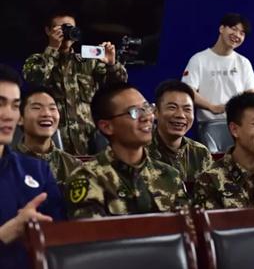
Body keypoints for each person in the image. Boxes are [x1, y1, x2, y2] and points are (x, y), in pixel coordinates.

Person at [0, 64, 65, 269]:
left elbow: (61, 238)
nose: (8, 114)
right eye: (0, 103)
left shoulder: (37, 171)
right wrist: (6, 233)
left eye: (15, 105)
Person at [65, 83, 188, 219]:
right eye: (134, 112)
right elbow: (92, 231)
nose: (147, 117)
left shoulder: (169, 175)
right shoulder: (87, 178)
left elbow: (187, 227)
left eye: (147, 108)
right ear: (107, 126)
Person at [22, 10, 128, 155]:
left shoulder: (88, 62)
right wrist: (52, 48)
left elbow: (119, 88)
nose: (67, 33)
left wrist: (111, 64)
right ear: (48, 31)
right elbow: (35, 79)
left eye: (70, 28)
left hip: (89, 143)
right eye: (62, 28)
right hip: (53, 144)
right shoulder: (38, 60)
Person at [181, 13, 254, 146]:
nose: (237, 35)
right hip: (208, 124)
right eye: (234, 29)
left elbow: (251, 94)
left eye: (242, 33)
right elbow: (187, 91)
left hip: (238, 125)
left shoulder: (243, 62)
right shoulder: (199, 59)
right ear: (221, 28)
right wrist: (212, 107)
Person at [147, 80, 212, 188]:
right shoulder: (140, 151)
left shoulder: (200, 153)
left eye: (187, 109)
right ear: (156, 112)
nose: (180, 115)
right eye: (172, 107)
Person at [15, 86, 82, 191]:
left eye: (52, 108)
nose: (47, 114)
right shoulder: (6, 164)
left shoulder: (73, 165)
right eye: (37, 108)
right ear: (19, 118)